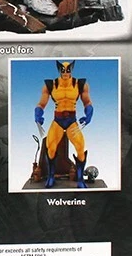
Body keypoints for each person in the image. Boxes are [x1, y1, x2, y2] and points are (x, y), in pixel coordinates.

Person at [35, 60, 94, 188]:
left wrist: (89, 113)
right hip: (58, 120)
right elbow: (42, 103)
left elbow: (87, 101)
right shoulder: (51, 85)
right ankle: (51, 176)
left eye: (68, 70)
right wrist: (38, 113)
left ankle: (80, 179)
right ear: (59, 70)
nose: (66, 73)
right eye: (63, 70)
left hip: (72, 121)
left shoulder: (80, 84)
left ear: (71, 70)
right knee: (50, 147)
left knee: (80, 147)